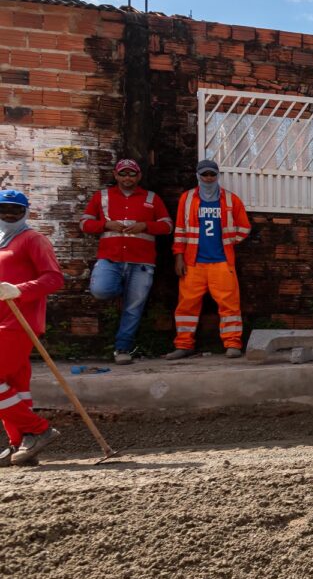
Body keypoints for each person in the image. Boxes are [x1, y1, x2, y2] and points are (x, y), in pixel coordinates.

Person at [80, 159, 172, 365]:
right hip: (110, 259)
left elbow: (167, 226)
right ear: (116, 175)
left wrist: (145, 226)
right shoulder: (102, 196)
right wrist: (106, 225)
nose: (127, 178)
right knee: (101, 290)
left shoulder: (151, 198)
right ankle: (120, 288)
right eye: (123, 174)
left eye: (131, 174)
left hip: (142, 262)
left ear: (138, 176)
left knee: (133, 307)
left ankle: (123, 347)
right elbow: (84, 224)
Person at [0, 189, 64, 466]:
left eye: (15, 211)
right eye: (3, 210)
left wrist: (19, 290)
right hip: (2, 320)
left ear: (26, 212)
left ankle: (39, 430)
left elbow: (54, 279)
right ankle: (21, 444)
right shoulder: (1, 241)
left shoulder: (33, 239)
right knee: (16, 387)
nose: (9, 215)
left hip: (18, 323)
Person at [165, 160, 250, 360]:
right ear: (198, 175)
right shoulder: (186, 199)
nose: (208, 178)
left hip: (222, 262)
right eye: (205, 174)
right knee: (187, 305)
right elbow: (180, 231)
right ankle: (184, 345)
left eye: (212, 174)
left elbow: (244, 227)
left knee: (229, 304)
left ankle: (232, 344)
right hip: (193, 263)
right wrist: (179, 258)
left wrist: (228, 242)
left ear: (217, 175)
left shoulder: (231, 200)